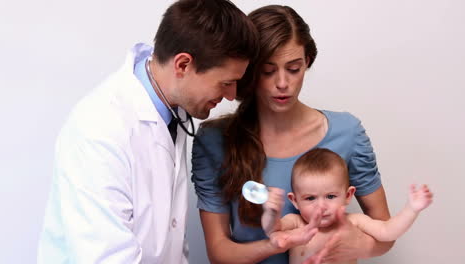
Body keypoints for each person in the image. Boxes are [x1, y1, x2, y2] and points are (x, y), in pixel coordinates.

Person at [37, 0, 258, 263]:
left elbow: (170, 236)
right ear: (183, 65)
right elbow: (107, 257)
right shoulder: (100, 129)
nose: (232, 95)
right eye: (227, 82)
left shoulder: (173, 107)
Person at [192, 4, 395, 264]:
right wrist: (275, 244)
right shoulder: (214, 140)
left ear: (307, 62)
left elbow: (384, 235)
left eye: (293, 68)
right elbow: (219, 252)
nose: (282, 83)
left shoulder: (348, 133)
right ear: (249, 71)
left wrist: (357, 246)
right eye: (267, 71)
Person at [262, 148, 433, 264]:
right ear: (294, 201)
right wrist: (271, 212)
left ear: (348, 195)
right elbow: (272, 229)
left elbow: (388, 232)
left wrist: (411, 209)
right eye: (310, 198)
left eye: (330, 196)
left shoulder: (355, 221)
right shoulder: (296, 222)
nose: (321, 206)